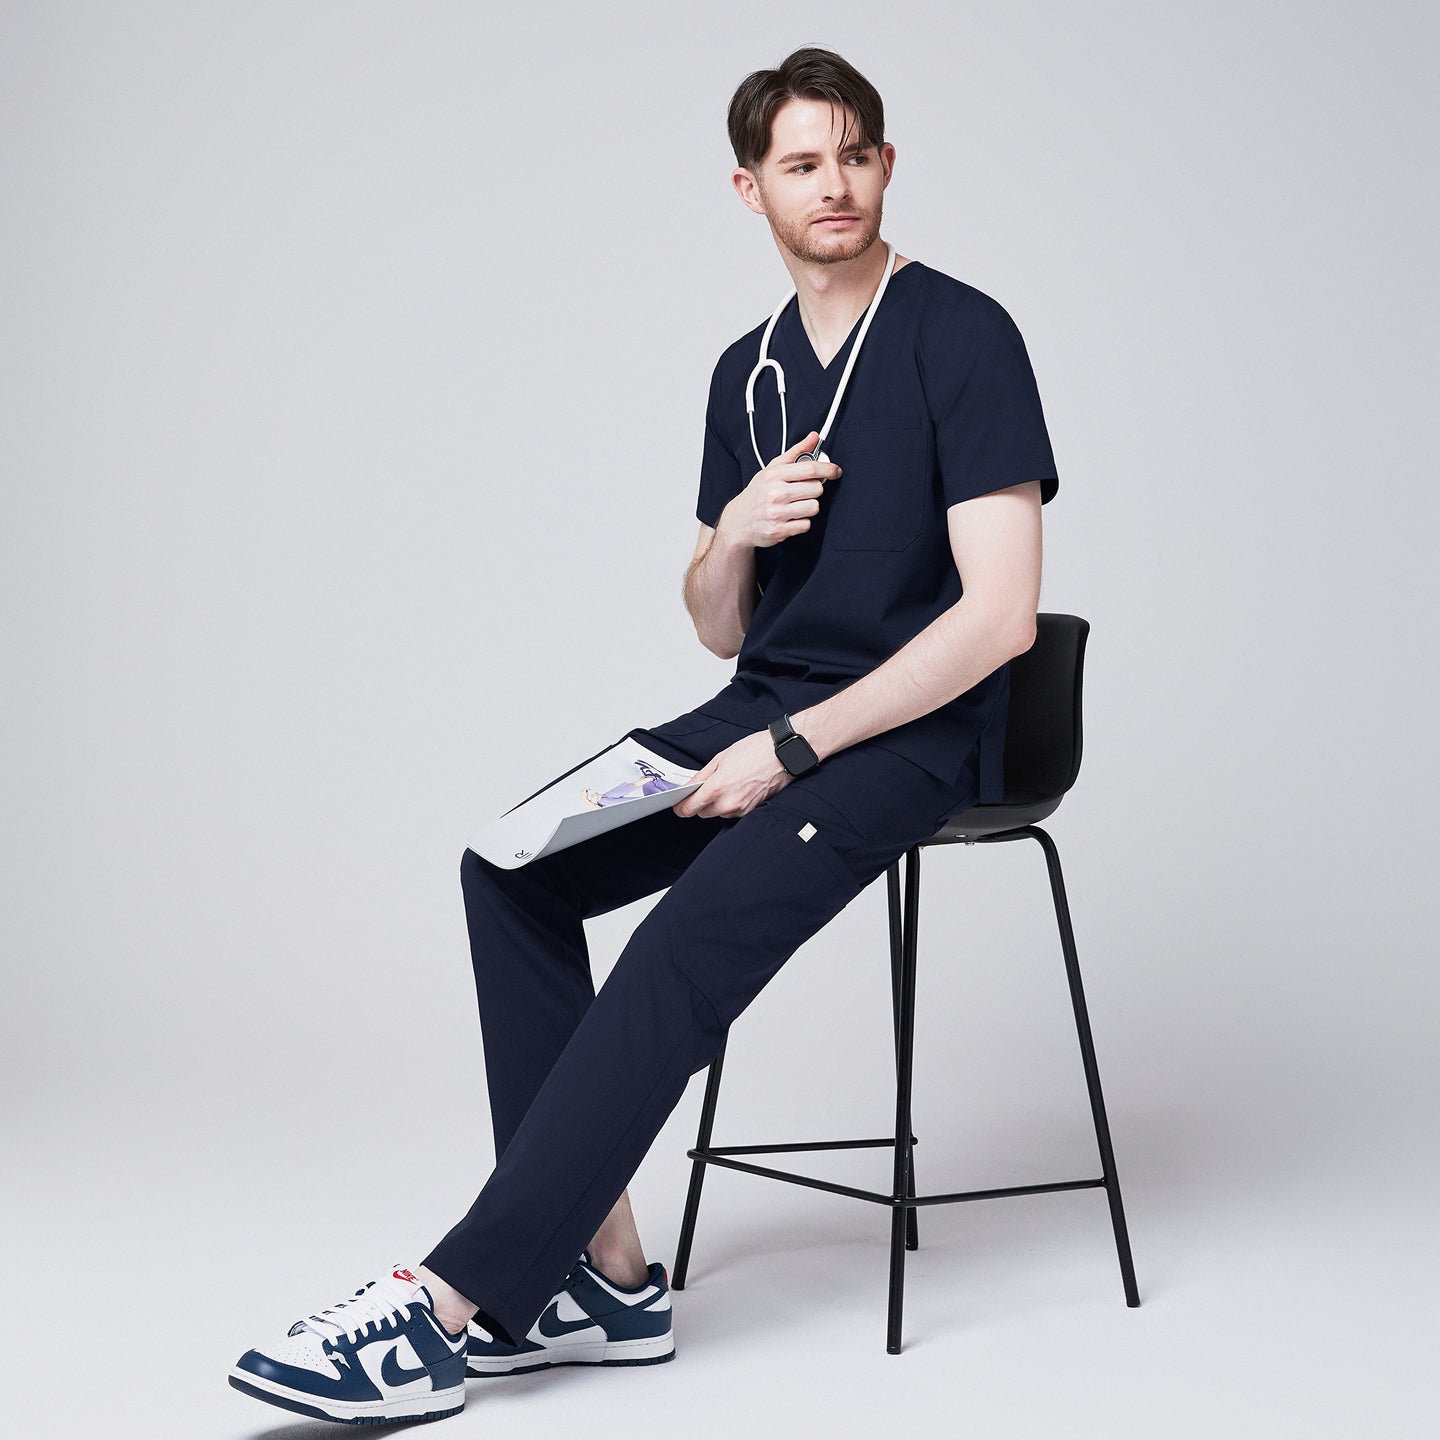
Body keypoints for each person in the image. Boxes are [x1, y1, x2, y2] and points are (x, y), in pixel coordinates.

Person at [229, 46, 1056, 1426]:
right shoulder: (750, 373)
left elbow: (1004, 618)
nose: (834, 183)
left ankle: (453, 1303)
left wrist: (792, 754)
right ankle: (608, 1279)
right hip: (755, 710)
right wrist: (733, 531)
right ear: (751, 189)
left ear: (888, 165)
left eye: (855, 153)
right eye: (802, 162)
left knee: (679, 948)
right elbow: (718, 627)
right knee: (508, 866)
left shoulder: (963, 334)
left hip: (915, 737)